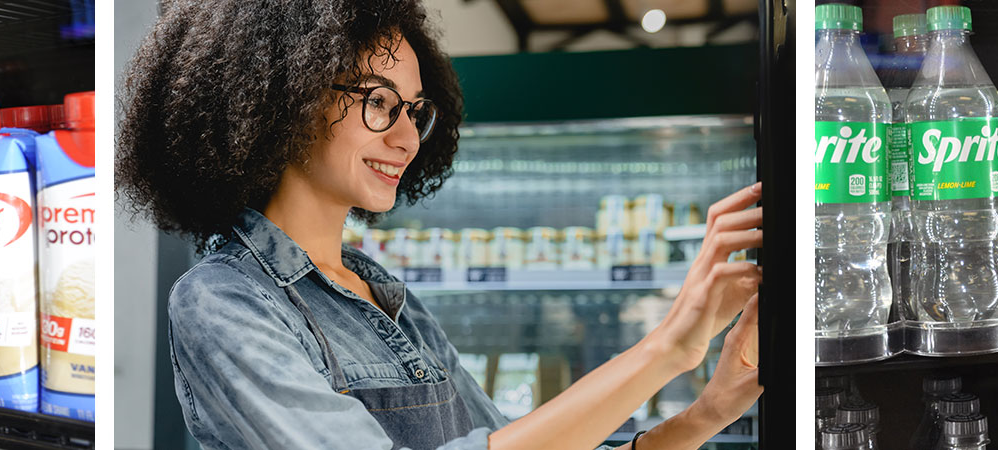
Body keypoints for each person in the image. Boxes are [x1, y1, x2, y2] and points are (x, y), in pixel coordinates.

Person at [117, 1, 763, 449]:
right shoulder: (221, 302)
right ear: (285, 96)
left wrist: (709, 409)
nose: (406, 137)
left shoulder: (391, 302)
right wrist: (665, 351)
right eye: (378, 103)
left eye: (415, 112)